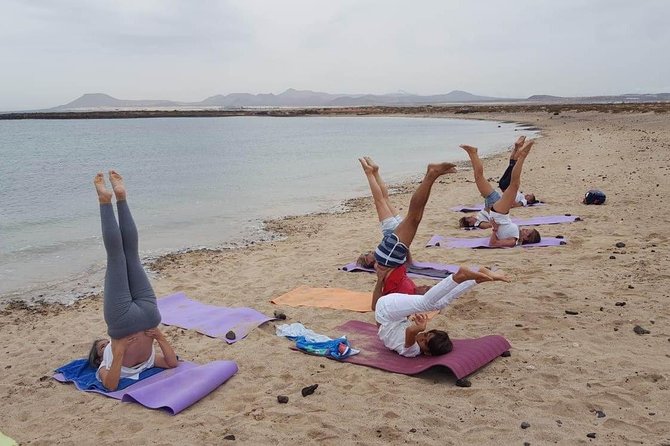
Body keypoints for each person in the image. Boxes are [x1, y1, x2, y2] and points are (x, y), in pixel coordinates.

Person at [89, 171, 178, 391]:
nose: (105, 345)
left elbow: (110, 385)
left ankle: (112, 199)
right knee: (129, 255)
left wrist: (117, 353)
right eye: (102, 346)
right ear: (99, 357)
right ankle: (118, 198)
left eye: (103, 345)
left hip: (123, 323)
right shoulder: (142, 362)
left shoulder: (106, 366)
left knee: (120, 257)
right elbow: (172, 362)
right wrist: (160, 337)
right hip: (148, 319)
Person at [372, 265, 509, 357]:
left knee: (425, 304)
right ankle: (475, 280)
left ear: (427, 353)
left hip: (386, 313)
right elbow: (409, 330)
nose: (421, 337)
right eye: (426, 334)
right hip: (393, 315)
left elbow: (410, 331)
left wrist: (418, 327)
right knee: (439, 304)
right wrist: (417, 324)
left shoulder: (412, 351)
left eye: (424, 341)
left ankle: (459, 277)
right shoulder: (418, 341)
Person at [459, 141, 541, 247]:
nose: (525, 229)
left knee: (514, 185)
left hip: (499, 214)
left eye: (527, 232)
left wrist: (494, 229)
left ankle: (522, 157)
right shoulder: (515, 234)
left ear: (526, 239)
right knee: (479, 178)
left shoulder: (513, 241)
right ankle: (473, 153)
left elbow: (493, 243)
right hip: (500, 213)